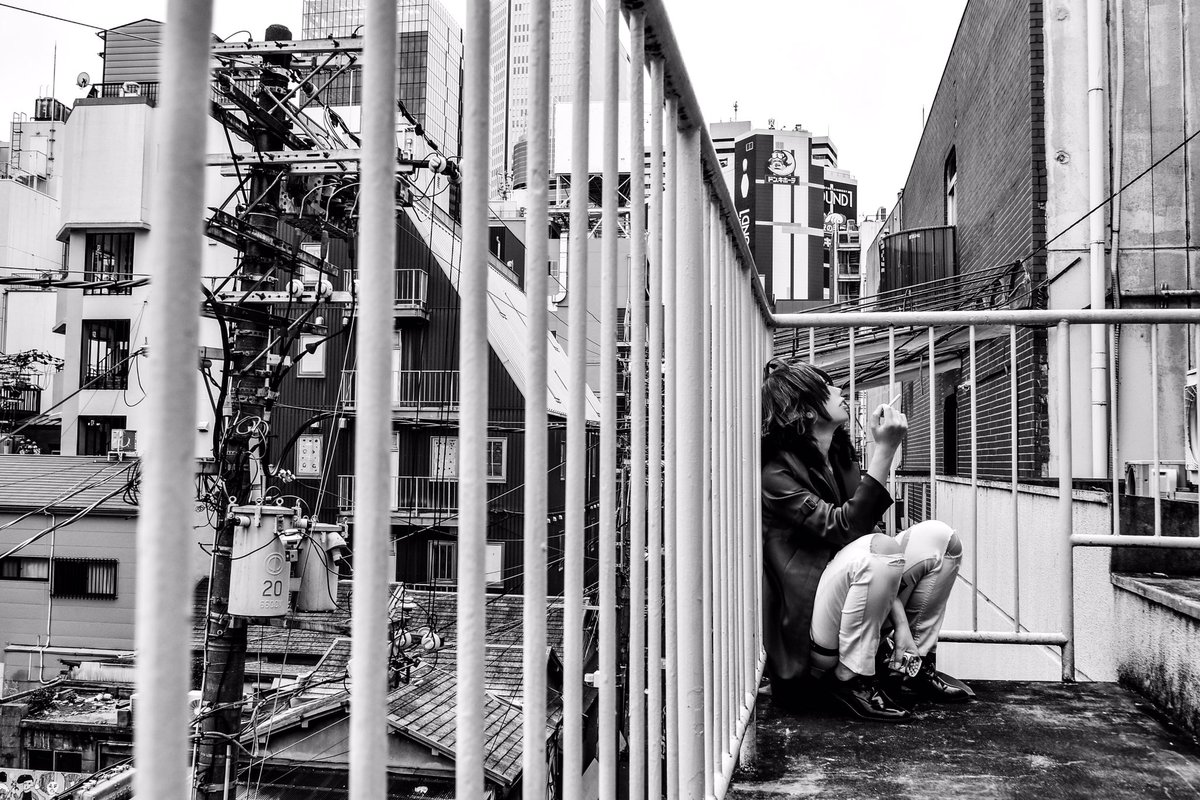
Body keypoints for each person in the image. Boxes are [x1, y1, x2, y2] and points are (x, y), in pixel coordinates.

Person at [761, 357, 972, 721]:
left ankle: (909, 665)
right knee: (881, 547)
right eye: (826, 386)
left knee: (940, 539)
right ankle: (851, 678)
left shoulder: (838, 456)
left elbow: (865, 537)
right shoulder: (776, 474)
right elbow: (844, 529)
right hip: (811, 628)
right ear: (805, 410)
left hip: (847, 593)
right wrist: (885, 450)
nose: (839, 389)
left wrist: (902, 627)